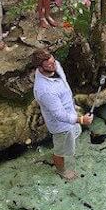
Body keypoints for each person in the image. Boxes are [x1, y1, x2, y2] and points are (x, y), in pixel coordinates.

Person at [32, 48, 93, 180]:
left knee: (73, 136)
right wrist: (81, 119)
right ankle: (61, 170)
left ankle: (67, 149)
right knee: (60, 151)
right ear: (39, 68)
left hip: (69, 111)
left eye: (53, 61)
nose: (54, 65)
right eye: (49, 64)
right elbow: (59, 115)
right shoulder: (44, 90)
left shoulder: (54, 66)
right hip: (61, 126)